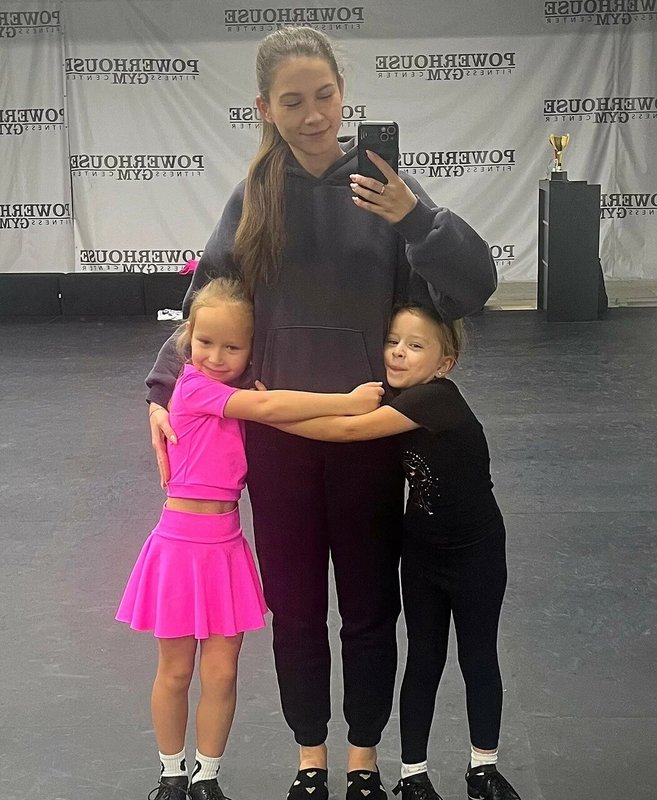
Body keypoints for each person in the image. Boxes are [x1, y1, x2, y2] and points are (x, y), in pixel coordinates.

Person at [146, 25, 497, 800]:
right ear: (265, 109)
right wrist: (162, 390)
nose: (312, 115)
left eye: (324, 96)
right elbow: (205, 303)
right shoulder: (253, 199)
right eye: (293, 102)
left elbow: (473, 287)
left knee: (368, 612)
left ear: (343, 94)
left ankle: (363, 760)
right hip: (277, 443)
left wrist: (415, 219)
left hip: (367, 439)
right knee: (297, 614)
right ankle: (311, 759)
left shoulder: (383, 189)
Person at [118, 277, 384, 800]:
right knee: (175, 671)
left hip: (225, 547)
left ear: (251, 350)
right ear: (187, 340)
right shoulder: (193, 387)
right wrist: (349, 402)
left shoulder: (239, 395)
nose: (216, 357)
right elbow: (270, 409)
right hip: (180, 548)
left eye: (232, 347)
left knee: (222, 673)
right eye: (204, 343)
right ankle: (171, 774)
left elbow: (274, 410)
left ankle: (206, 776)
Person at [271, 304, 521, 800]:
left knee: (478, 656)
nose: (398, 353)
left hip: (476, 553)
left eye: (415, 345)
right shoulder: (394, 397)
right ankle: (412, 774)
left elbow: (346, 429)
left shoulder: (435, 399)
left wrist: (269, 414)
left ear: (444, 364)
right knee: (423, 658)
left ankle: (484, 768)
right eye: (392, 341)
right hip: (423, 553)